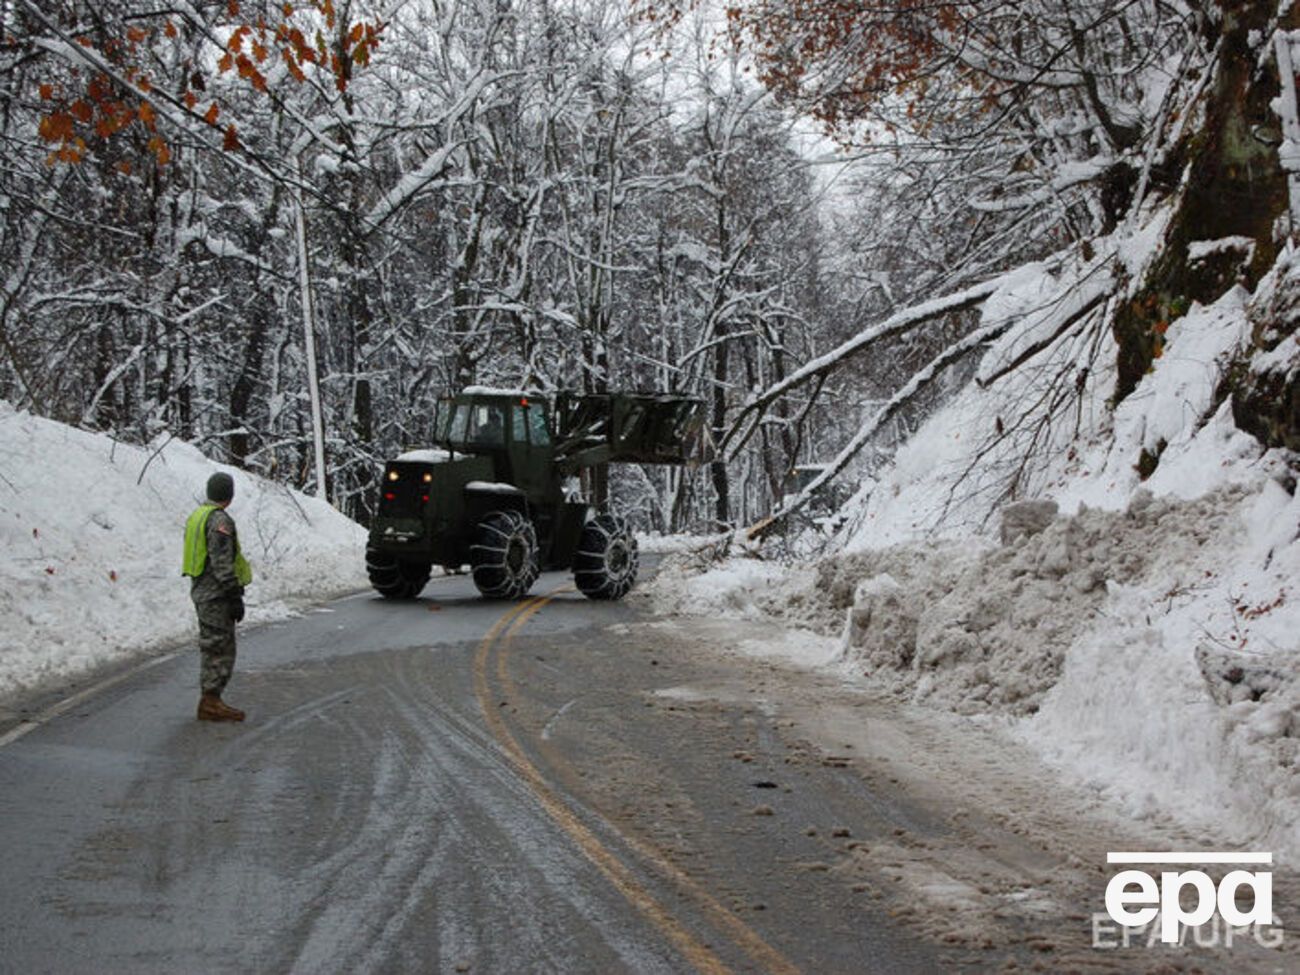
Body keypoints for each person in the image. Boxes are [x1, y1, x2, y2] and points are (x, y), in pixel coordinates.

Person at [181, 472, 253, 722]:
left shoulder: (197, 516)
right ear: (229, 495)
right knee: (220, 648)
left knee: (212, 645)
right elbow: (221, 561)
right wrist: (234, 595)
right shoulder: (219, 520)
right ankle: (211, 702)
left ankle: (210, 700)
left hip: (202, 590)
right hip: (216, 595)